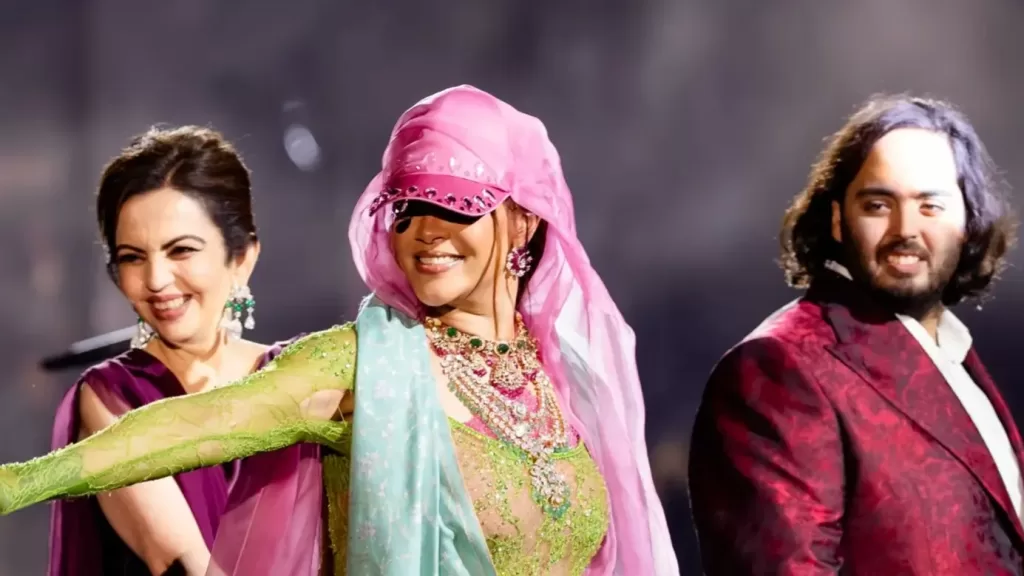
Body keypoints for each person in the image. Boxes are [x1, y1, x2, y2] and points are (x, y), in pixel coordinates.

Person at [0, 86, 678, 576]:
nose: (425, 232)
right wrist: (17, 484)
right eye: (406, 208)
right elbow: (195, 426)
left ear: (524, 221)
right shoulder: (366, 365)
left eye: (455, 205)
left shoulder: (564, 370)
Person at [688, 94, 1020, 574]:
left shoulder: (958, 358)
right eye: (879, 204)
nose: (906, 229)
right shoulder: (779, 368)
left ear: (967, 223)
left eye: (930, 206)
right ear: (838, 221)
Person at [48, 126, 290, 576]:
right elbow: (181, 560)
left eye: (181, 251)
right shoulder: (112, 397)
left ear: (241, 257)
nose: (156, 280)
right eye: (132, 257)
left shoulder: (297, 376)